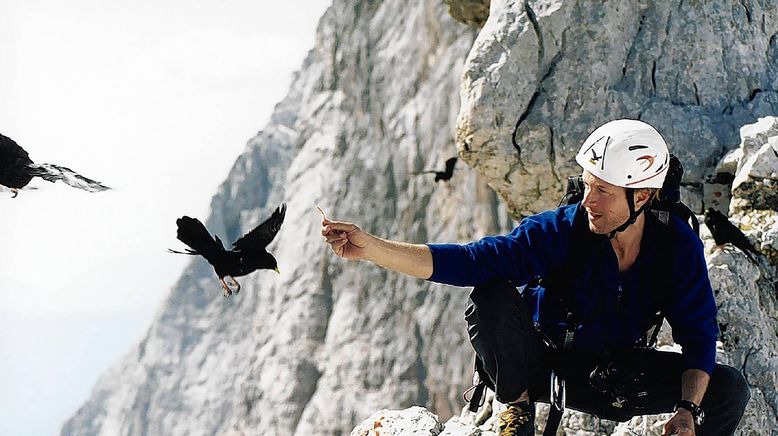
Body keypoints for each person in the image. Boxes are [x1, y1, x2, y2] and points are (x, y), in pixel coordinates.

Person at [320, 119, 750, 436]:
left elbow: (698, 333)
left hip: (618, 376)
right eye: (586, 186)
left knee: (728, 388)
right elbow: (472, 261)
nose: (588, 201)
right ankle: (518, 413)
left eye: (602, 191)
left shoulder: (675, 245)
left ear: (642, 196)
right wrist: (372, 247)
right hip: (543, 368)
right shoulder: (562, 230)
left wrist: (687, 409)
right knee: (489, 292)